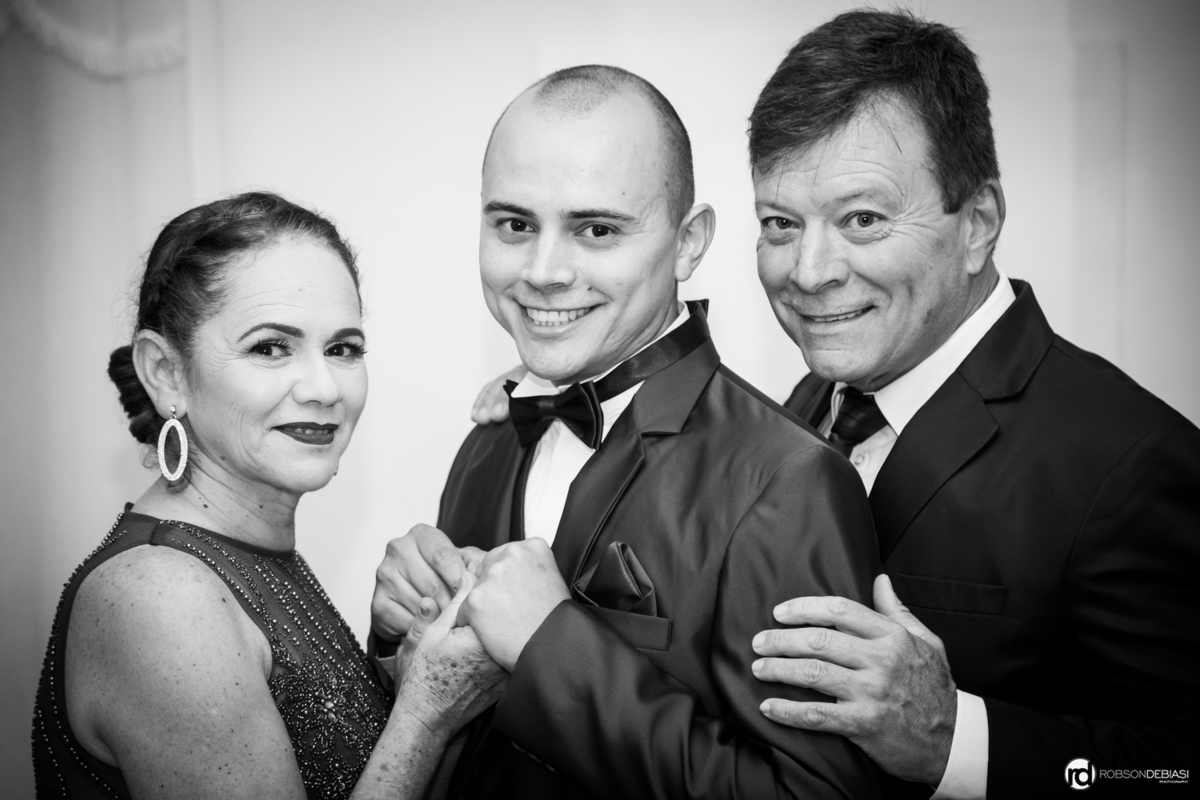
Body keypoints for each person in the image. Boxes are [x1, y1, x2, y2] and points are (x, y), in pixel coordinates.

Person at [371, 65, 887, 798]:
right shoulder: (486, 444)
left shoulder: (789, 481)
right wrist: (402, 642)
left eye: (597, 230)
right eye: (515, 225)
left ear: (688, 243)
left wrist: (551, 645)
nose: (544, 272)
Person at [743, 9, 1200, 798]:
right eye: (781, 224)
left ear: (978, 224)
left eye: (862, 219)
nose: (809, 272)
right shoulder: (807, 404)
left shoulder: (1132, 463)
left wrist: (956, 739)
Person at [31, 192, 505, 799]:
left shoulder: (248, 555)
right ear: (166, 372)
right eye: (269, 347)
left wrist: (409, 659)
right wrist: (426, 710)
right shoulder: (161, 598)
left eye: (343, 349)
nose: (324, 388)